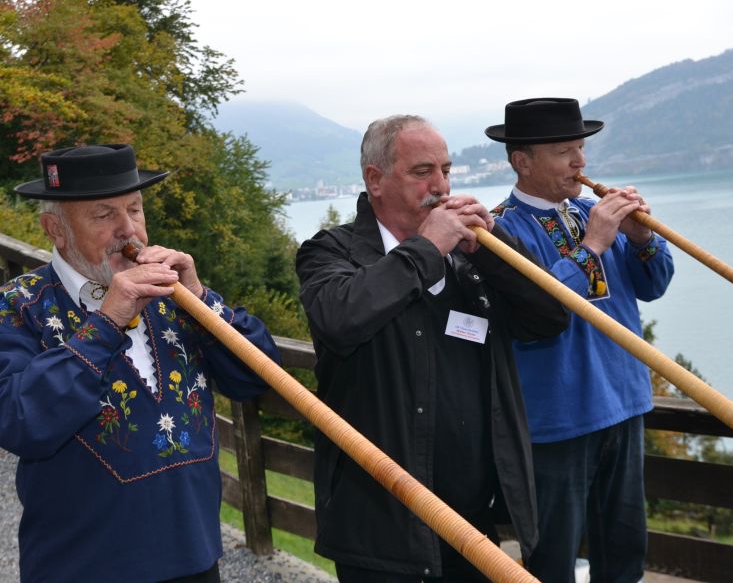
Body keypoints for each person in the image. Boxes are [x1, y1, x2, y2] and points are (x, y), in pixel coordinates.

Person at [295, 115, 569, 582]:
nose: (440, 186)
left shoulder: (471, 254)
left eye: (446, 170)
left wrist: (494, 249)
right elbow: (340, 318)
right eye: (423, 172)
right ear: (375, 180)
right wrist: (427, 247)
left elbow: (549, 318)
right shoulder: (330, 251)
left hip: (472, 523)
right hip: (380, 527)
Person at [0, 144, 281, 582]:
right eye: (104, 215)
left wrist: (201, 300)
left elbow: (257, 377)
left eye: (135, 209)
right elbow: (19, 421)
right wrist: (108, 321)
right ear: (56, 229)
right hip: (82, 570)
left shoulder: (176, 296)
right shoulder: (17, 305)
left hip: (197, 562)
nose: (128, 230)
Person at [486, 98, 675, 582]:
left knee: (625, 550)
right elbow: (539, 308)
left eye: (581, 148)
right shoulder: (500, 230)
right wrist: (592, 245)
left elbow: (654, 285)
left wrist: (641, 238)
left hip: (624, 403)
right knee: (553, 557)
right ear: (522, 161)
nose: (580, 162)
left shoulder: (594, 212)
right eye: (564, 152)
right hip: (556, 420)